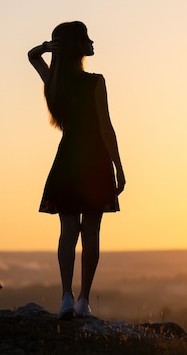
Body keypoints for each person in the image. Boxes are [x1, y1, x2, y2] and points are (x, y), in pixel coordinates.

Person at [28, 21, 125, 320]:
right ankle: (84, 300)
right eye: (86, 38)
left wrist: (47, 48)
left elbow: (32, 56)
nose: (92, 42)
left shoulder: (54, 82)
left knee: (68, 231)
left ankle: (66, 298)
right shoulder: (95, 82)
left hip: (67, 161)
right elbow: (105, 128)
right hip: (94, 162)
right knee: (91, 231)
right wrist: (119, 166)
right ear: (76, 46)